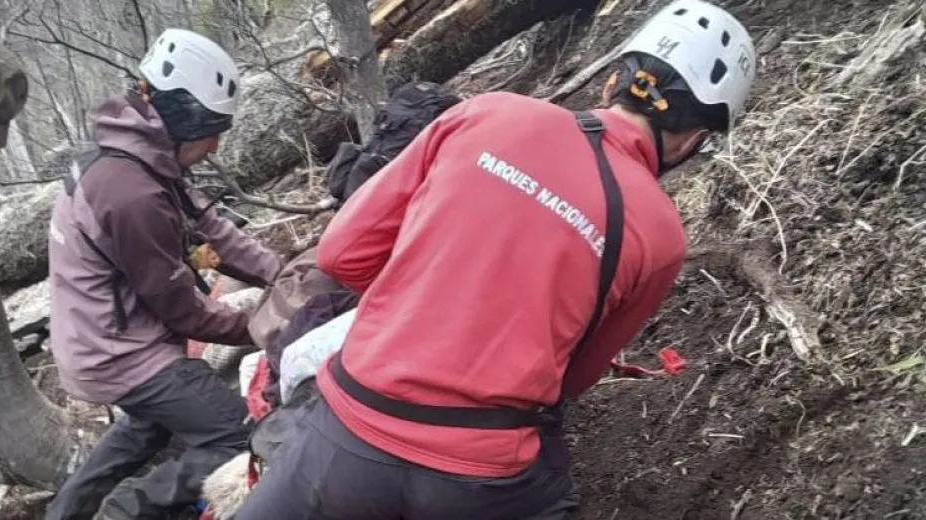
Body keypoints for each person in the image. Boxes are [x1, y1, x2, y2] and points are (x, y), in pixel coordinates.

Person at [235, 0, 758, 518]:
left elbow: (342, 255)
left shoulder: (488, 112)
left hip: (345, 435)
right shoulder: (662, 235)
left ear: (610, 83)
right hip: (481, 477)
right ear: (694, 139)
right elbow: (571, 381)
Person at [45, 28, 282, 520]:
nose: (215, 144)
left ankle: (66, 513)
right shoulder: (130, 193)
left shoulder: (143, 158)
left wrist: (281, 275)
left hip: (107, 340)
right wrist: (266, 324)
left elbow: (212, 229)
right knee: (238, 438)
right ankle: (124, 511)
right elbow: (182, 308)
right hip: (118, 354)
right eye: (212, 129)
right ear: (183, 118)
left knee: (145, 427)